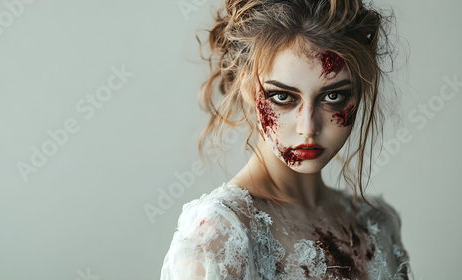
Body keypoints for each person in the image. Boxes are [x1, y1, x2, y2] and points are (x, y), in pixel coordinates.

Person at [161, 0, 412, 279]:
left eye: (332, 96)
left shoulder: (375, 223)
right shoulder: (219, 238)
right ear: (246, 88)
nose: (308, 127)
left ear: (360, 91)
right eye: (282, 97)